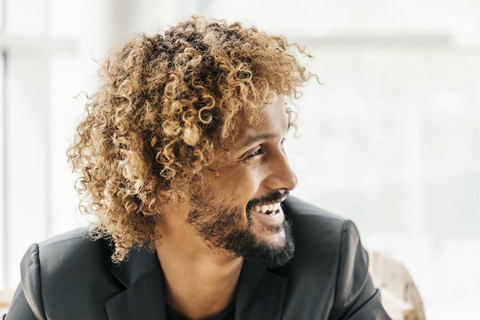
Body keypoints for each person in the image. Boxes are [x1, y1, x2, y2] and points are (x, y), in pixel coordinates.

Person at [4, 17, 390, 320]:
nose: (289, 179)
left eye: (281, 143)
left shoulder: (331, 258)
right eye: (255, 152)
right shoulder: (58, 285)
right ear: (167, 174)